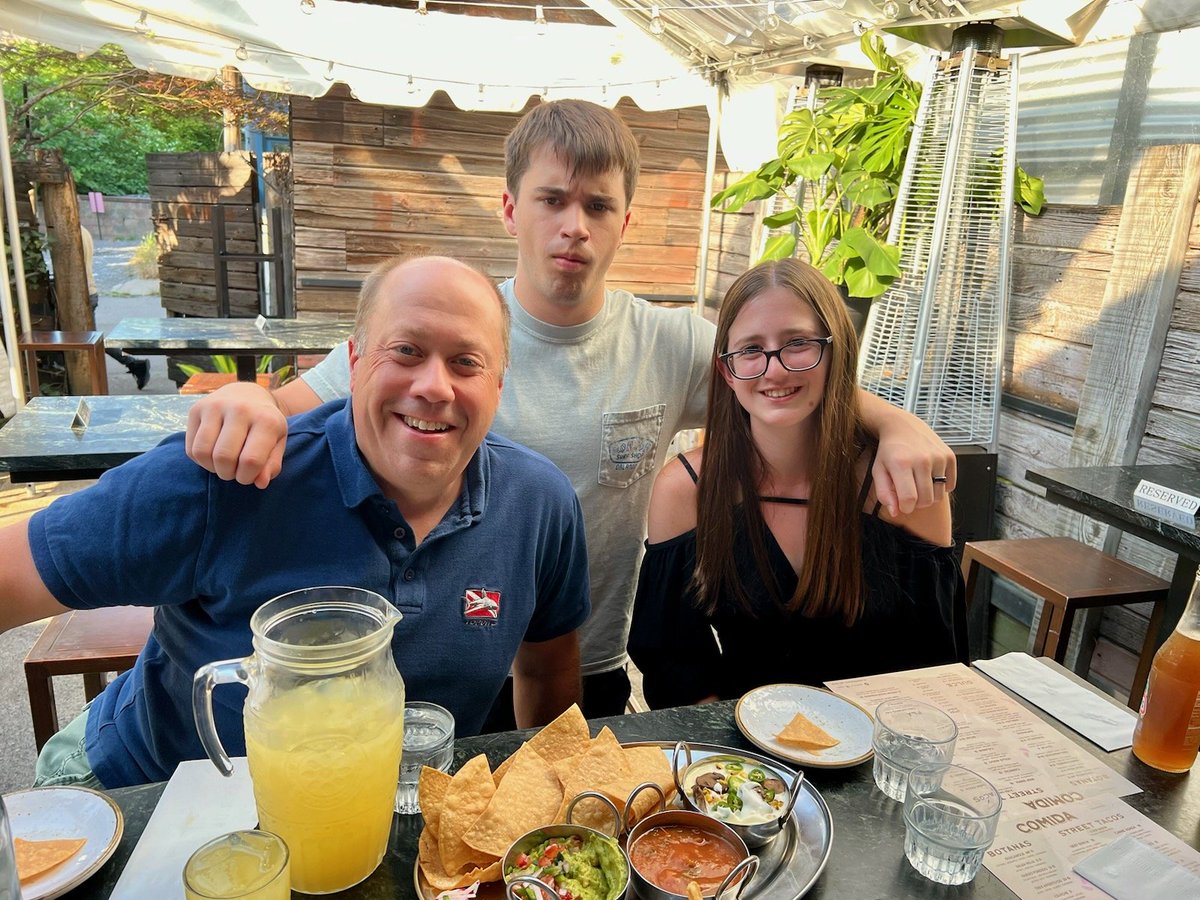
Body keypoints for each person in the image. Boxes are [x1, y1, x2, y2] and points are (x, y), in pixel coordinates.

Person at [183, 100, 957, 724]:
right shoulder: (449, 335)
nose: (573, 225)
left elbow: (784, 377)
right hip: (440, 666)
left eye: (598, 204)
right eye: (553, 199)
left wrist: (897, 424)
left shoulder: (668, 341)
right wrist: (247, 396)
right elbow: (287, 409)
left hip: (586, 667)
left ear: (626, 220)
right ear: (511, 208)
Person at [0, 255, 589, 789]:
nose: (434, 386)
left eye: (466, 362)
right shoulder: (229, 476)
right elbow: (12, 574)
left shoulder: (539, 503)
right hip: (144, 794)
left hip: (378, 812)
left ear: (498, 385)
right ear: (354, 363)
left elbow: (547, 669)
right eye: (406, 351)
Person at [627, 259, 964, 708]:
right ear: (727, 371)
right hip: (741, 752)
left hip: (872, 750)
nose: (775, 370)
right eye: (750, 349)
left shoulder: (899, 489)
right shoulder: (687, 489)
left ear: (835, 351)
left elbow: (935, 666)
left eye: (798, 343)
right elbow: (674, 662)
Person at [81, 226, 150, 389]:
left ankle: (133, 363)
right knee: (92, 339)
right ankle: (133, 364)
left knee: (91, 340)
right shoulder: (84, 231)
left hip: (83, 294)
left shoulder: (74, 234)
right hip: (89, 291)